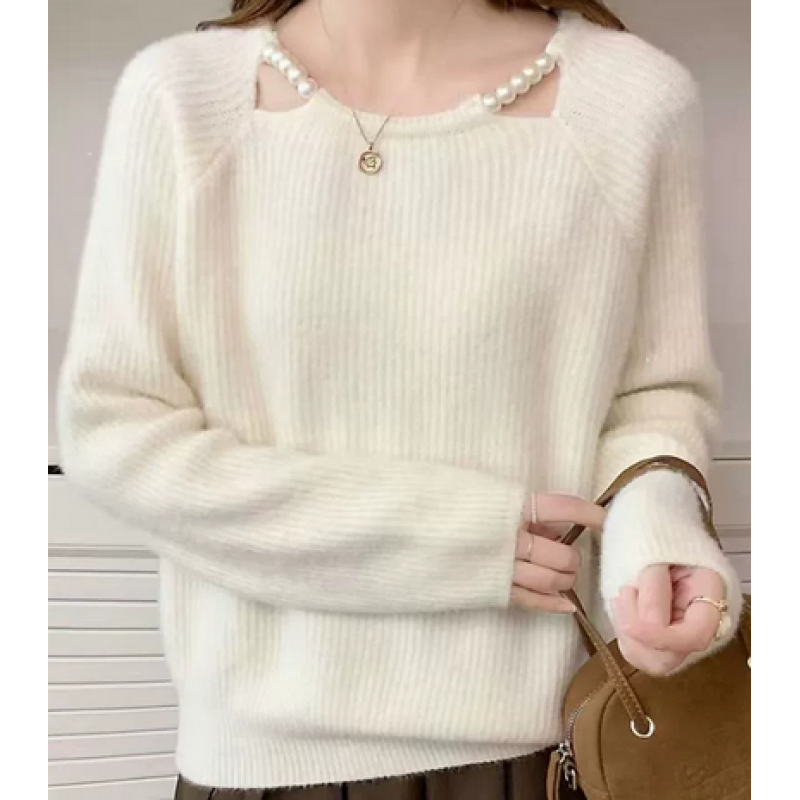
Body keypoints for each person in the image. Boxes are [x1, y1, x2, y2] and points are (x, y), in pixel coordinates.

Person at [56, 1, 744, 798]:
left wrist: (656, 537)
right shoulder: (183, 97)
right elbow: (113, 427)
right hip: (258, 762)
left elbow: (654, 395)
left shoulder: (632, 101)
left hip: (538, 756)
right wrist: (447, 541)